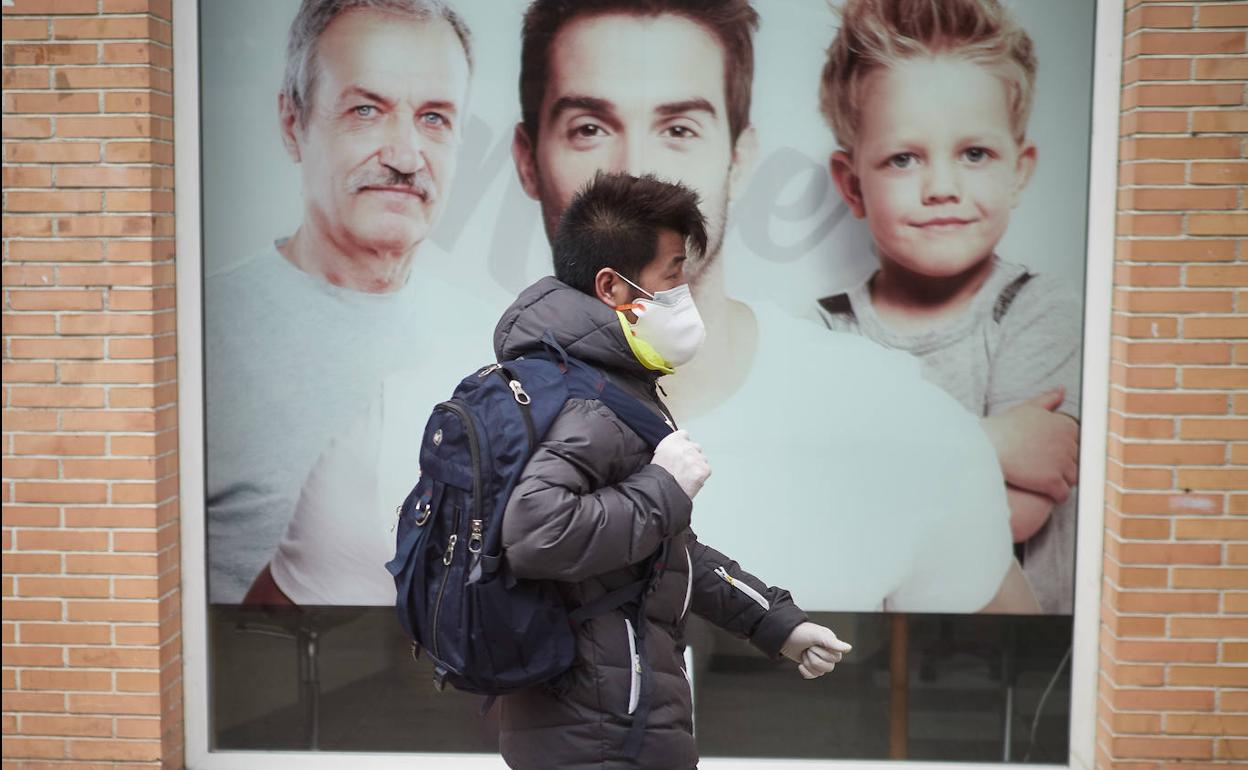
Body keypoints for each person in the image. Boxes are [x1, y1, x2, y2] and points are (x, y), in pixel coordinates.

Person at [263, 0, 1025, 614]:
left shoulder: (908, 430)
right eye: (590, 127)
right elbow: (286, 689)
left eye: (679, 127)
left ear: (740, 155)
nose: (633, 172)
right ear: (529, 160)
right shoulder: (408, 432)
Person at [495, 171, 851, 769]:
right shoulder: (587, 399)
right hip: (603, 730)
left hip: (606, 716)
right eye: (672, 274)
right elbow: (537, 534)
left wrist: (777, 624)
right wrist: (664, 486)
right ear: (612, 287)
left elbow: (664, 553)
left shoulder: (598, 382)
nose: (684, 290)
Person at [816, 0, 1082, 613]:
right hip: (862, 660)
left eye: (974, 154)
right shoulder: (825, 330)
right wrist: (989, 443)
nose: (941, 187)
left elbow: (1018, 512)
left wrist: (872, 464)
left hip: (1019, 661)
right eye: (904, 158)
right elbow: (824, 510)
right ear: (853, 184)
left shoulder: (1034, 308)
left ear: (1020, 170)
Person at [205, 0, 475, 603]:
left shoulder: (489, 339)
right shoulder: (198, 339)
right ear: (291, 123)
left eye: (434, 118)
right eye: (365, 110)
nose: (406, 157)